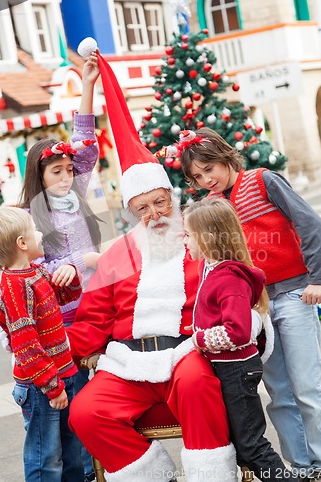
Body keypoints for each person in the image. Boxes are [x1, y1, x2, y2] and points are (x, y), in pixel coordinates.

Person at [65, 40, 237, 482]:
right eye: (143, 209)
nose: (154, 215)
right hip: (127, 363)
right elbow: (92, 318)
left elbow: (229, 293)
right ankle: (154, 476)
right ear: (133, 212)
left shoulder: (197, 239)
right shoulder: (119, 254)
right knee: (84, 412)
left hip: (185, 354)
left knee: (199, 384)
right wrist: (59, 354)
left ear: (173, 198)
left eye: (160, 203)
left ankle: (211, 475)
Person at [179, 127, 321, 481]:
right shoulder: (213, 207)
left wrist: (318, 278)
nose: (206, 180)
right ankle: (300, 466)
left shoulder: (262, 180)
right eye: (197, 177)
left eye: (209, 170)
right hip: (256, 307)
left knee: (306, 388)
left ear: (224, 157)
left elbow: (308, 222)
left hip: (294, 293)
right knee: (278, 391)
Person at [18, 53, 102, 482]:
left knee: (91, 410)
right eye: (57, 171)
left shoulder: (78, 194)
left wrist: (87, 84)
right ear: (40, 174)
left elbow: (85, 145)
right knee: (67, 411)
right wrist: (73, 262)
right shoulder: (28, 218)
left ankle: (92, 473)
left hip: (96, 313)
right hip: (59, 326)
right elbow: (26, 269)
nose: (68, 176)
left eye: (69, 170)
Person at [183, 198, 294, 482]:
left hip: (236, 370)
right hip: (229, 368)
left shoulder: (229, 278)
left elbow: (238, 331)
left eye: (188, 234)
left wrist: (200, 338)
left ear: (207, 238)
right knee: (243, 446)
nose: (184, 240)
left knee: (252, 445)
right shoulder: (211, 268)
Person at [0, 206, 84, 482]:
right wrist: (51, 386)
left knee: (71, 451)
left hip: (63, 376)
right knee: (45, 457)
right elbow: (26, 344)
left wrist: (69, 278)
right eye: (34, 230)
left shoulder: (34, 273)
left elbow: (59, 299)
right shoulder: (15, 286)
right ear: (22, 244)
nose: (40, 233)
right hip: (42, 388)